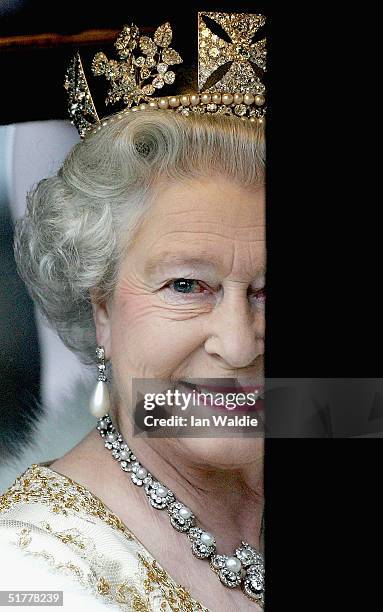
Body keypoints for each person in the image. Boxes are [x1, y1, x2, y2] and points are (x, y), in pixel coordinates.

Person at [0, 13, 266, 612]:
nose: (240, 343)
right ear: (101, 305)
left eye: (267, 292)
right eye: (186, 286)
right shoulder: (29, 576)